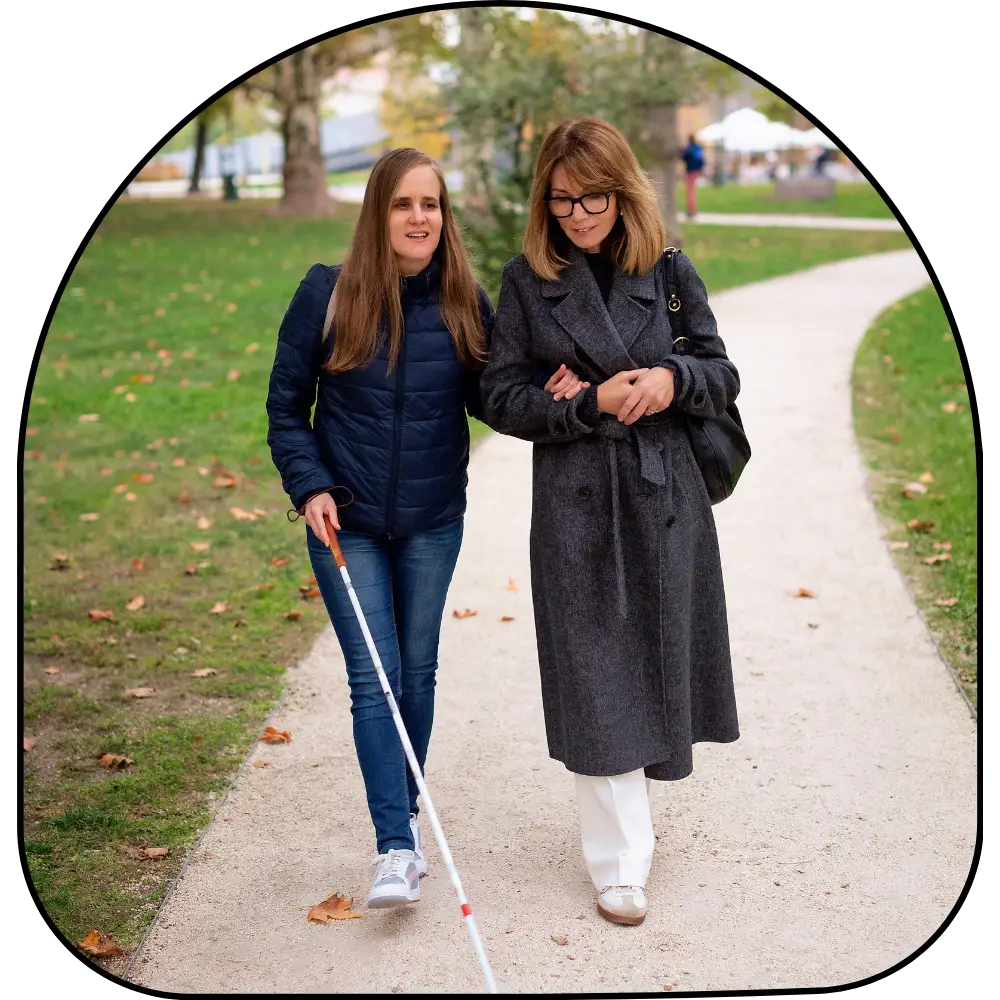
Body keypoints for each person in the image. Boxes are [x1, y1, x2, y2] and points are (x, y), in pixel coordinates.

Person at [265, 147, 587, 910]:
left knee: (418, 671)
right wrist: (308, 485)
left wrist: (557, 390)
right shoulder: (328, 296)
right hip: (347, 521)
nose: (420, 218)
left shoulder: (463, 301)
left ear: (445, 217)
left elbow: (493, 394)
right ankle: (396, 847)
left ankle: (403, 810)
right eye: (404, 204)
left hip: (434, 520)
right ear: (378, 214)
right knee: (374, 682)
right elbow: (286, 409)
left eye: (432, 205)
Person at [480, 117, 741, 926]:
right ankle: (620, 862)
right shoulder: (527, 280)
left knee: (654, 663)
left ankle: (634, 828)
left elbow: (721, 368)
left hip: (664, 498)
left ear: (621, 190)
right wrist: (587, 403)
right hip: (576, 500)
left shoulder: (666, 268)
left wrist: (668, 380)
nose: (577, 215)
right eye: (560, 201)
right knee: (595, 675)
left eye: (590, 198)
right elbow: (497, 396)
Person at [680, 133, 705, 219]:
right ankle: (693, 209)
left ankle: (691, 211)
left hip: (690, 171)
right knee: (693, 191)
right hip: (696, 171)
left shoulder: (688, 148)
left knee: (690, 191)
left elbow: (683, 157)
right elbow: (701, 160)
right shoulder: (698, 148)